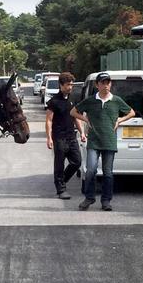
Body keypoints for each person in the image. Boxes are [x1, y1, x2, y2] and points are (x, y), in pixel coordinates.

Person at [70, 72, 135, 211]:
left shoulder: (116, 100)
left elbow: (132, 112)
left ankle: (106, 201)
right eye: (103, 83)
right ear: (97, 85)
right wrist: (86, 119)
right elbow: (73, 112)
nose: (106, 85)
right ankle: (89, 198)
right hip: (93, 141)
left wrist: (120, 120)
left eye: (108, 82)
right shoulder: (90, 100)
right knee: (90, 170)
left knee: (108, 173)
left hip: (109, 142)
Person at [46, 72, 86, 200]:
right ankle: (61, 190)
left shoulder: (72, 99)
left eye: (71, 85)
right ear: (61, 85)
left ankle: (61, 181)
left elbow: (75, 118)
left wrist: (82, 132)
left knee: (77, 161)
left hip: (71, 136)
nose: (70, 87)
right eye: (68, 85)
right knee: (59, 164)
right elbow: (49, 120)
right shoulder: (53, 101)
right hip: (59, 137)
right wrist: (49, 138)